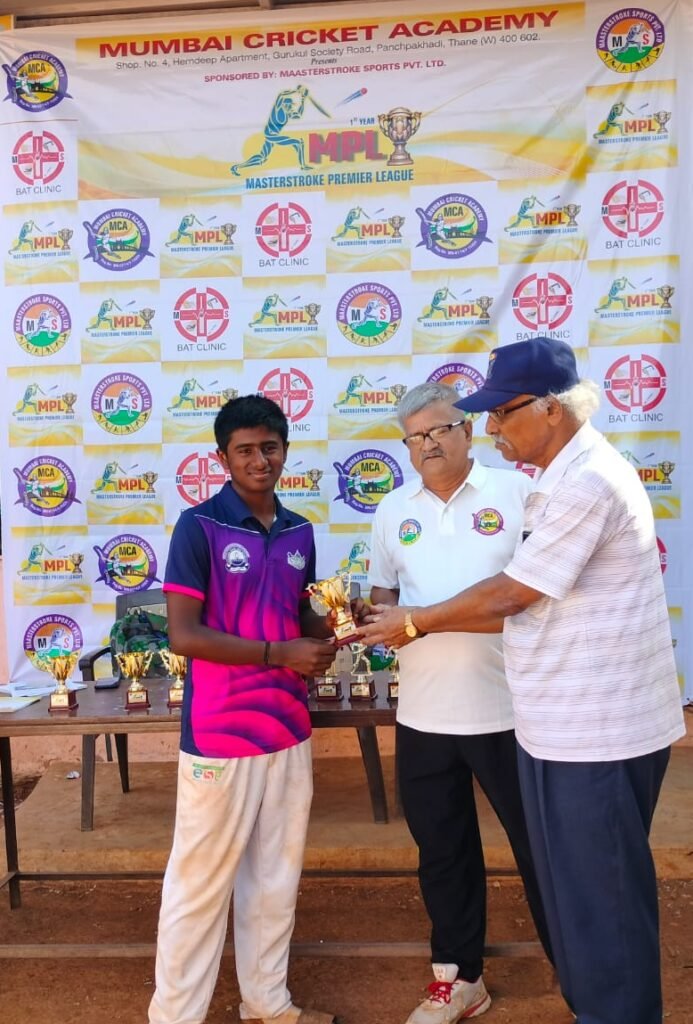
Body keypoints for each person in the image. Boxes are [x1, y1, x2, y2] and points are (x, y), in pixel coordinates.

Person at [360, 338, 685, 1024]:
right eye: (414, 437)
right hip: (546, 723)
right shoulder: (550, 481)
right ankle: (524, 989)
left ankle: (602, 1002)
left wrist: (414, 622)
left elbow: (513, 595)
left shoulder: (576, 483)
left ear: (551, 408)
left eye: (501, 413)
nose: (493, 427)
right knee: (564, 884)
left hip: (583, 728)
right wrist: (389, 621)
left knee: (592, 893)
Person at [149, 394, 337, 1024]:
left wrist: (335, 625)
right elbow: (184, 635)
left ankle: (267, 1005)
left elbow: (299, 615)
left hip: (287, 728)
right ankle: (175, 1017)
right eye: (246, 450)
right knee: (199, 886)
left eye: (271, 447)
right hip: (221, 736)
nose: (261, 460)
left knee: (275, 881)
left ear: (286, 450)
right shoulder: (198, 526)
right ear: (222, 458)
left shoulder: (299, 530)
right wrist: (281, 653)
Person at [367, 381, 552, 1024]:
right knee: (443, 855)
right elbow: (385, 597)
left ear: (468, 431)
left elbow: (534, 601)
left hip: (514, 713)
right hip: (423, 715)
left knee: (541, 850)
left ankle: (582, 972)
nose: (427, 444)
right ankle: (460, 977)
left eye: (439, 430)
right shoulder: (392, 510)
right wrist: (369, 617)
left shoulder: (517, 493)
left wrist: (420, 621)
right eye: (414, 437)